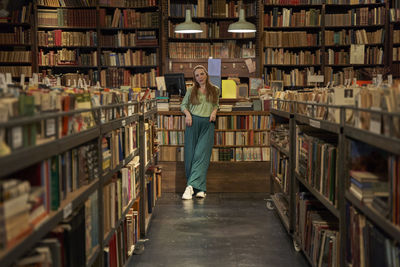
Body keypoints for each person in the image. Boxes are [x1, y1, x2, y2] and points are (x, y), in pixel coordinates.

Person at [181, 65, 219, 200]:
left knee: (201, 155)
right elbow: (183, 105)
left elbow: (216, 104)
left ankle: (189, 187)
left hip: (208, 125)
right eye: (197, 75)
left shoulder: (215, 90)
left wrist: (214, 112)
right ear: (195, 78)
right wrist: (187, 115)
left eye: (202, 74)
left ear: (206, 75)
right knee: (191, 156)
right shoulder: (191, 90)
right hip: (193, 123)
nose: (200, 77)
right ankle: (200, 188)